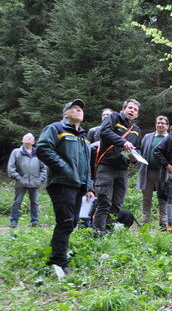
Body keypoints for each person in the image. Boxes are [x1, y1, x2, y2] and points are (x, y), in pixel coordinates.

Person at [36, 99, 95, 275]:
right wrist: (64, 167)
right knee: (66, 221)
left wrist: (89, 186)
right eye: (74, 108)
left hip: (78, 185)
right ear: (65, 113)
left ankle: (57, 253)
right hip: (61, 183)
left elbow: (87, 164)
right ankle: (58, 261)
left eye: (81, 109)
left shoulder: (84, 138)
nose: (79, 111)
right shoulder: (56, 129)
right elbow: (43, 149)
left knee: (72, 222)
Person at [92, 99, 142, 234]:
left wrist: (134, 158)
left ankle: (108, 233)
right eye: (130, 108)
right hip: (106, 166)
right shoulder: (113, 117)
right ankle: (98, 234)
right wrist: (123, 142)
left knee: (117, 204)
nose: (132, 111)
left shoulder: (136, 130)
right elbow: (104, 132)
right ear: (123, 109)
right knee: (104, 201)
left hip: (123, 169)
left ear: (137, 114)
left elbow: (139, 149)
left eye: (135, 110)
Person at [136, 115, 169, 229]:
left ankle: (163, 222)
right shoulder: (148, 137)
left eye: (163, 123)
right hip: (147, 171)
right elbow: (140, 150)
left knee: (163, 197)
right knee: (146, 198)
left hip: (163, 173)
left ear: (167, 126)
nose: (160, 125)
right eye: (158, 123)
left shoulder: (170, 138)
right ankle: (145, 222)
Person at [7, 133, 46, 228]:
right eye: (26, 137)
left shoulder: (38, 153)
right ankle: (13, 222)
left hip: (35, 182)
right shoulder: (16, 152)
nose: (28, 138)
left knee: (35, 203)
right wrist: (18, 178)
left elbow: (44, 168)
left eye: (31, 138)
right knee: (17, 202)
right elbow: (11, 168)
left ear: (33, 142)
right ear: (22, 140)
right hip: (20, 182)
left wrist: (40, 179)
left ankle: (35, 222)